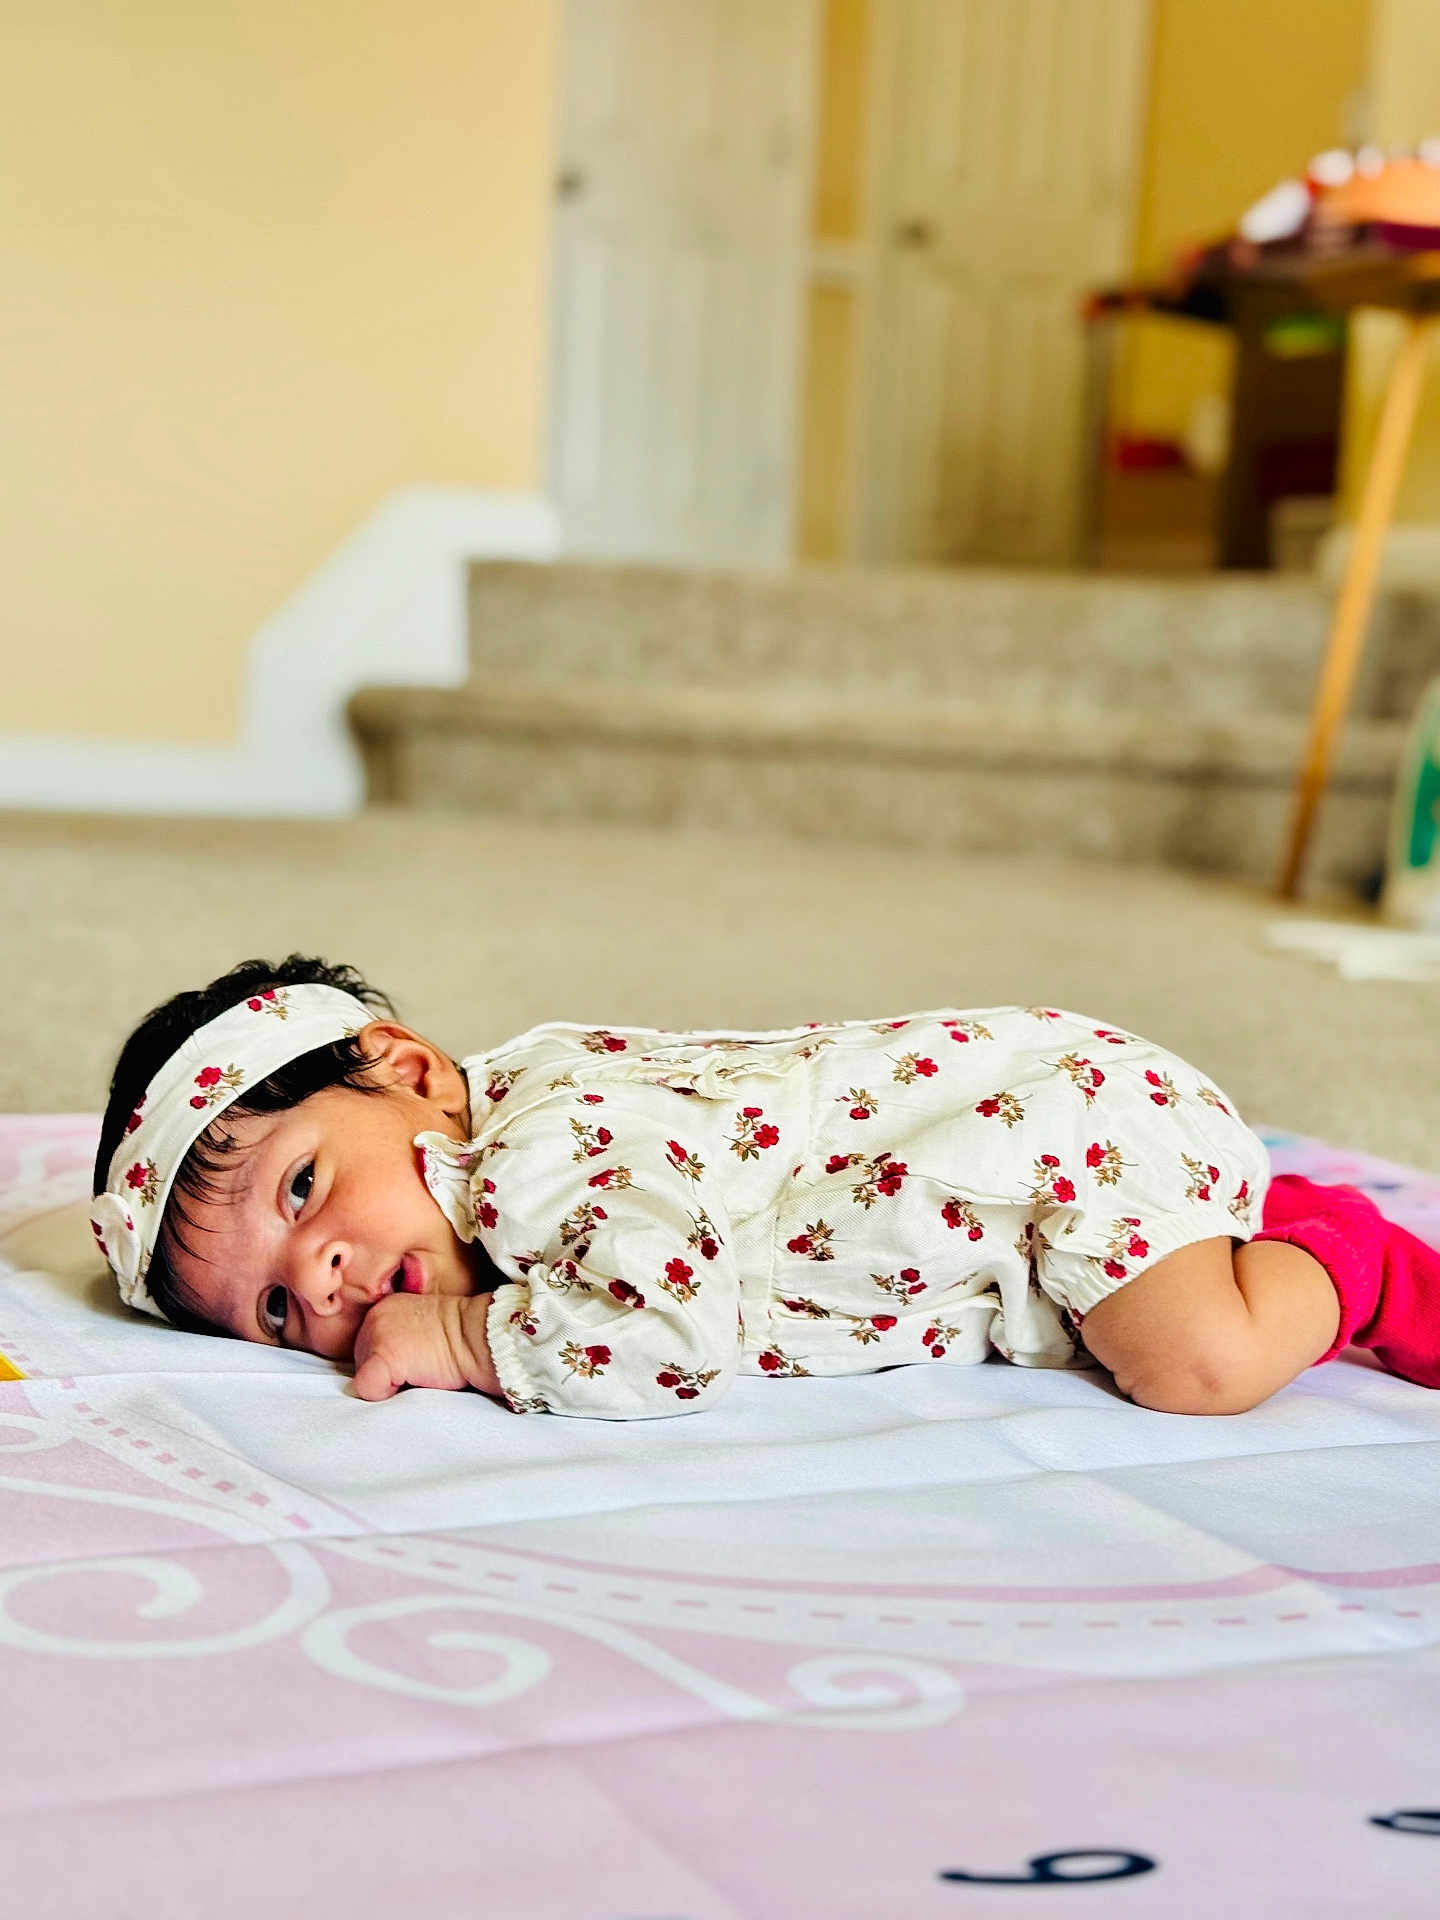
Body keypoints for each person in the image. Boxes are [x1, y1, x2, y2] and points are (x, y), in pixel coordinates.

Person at [90, 955, 1440, 1419]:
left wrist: (464, 1338)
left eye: (307, 1187)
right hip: (1008, 1220)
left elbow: (675, 1337)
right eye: (273, 1310)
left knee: (1196, 1365)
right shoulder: (495, 1179)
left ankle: (1341, 1252)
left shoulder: (537, 1153)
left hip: (1061, 1144)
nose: (319, 1275)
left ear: (413, 1075)